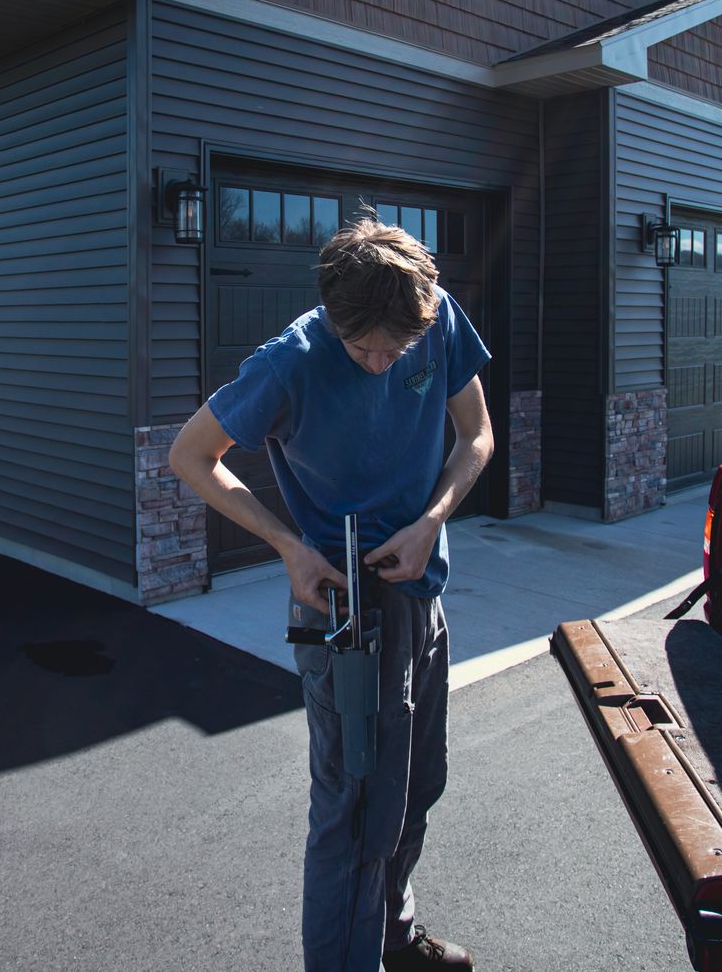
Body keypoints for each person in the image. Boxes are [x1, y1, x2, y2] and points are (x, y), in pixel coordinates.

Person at [169, 217, 494, 972]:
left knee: (415, 787)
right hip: (343, 614)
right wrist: (288, 547)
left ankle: (391, 933)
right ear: (332, 322)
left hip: (422, 593)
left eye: (397, 351)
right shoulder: (289, 361)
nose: (382, 364)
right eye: (364, 350)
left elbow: (476, 435)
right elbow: (192, 455)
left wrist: (431, 522)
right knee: (352, 814)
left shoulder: (435, 317)